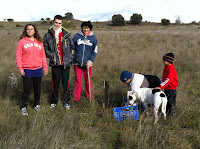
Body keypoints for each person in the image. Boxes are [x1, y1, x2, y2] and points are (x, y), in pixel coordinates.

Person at [16, 24, 48, 116]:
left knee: (37, 89)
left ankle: (36, 104)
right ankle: (24, 107)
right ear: (25, 31)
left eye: (31, 29)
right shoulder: (22, 42)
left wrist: (45, 68)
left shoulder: (39, 42)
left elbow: (42, 56)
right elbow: (18, 56)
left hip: (38, 69)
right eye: (28, 29)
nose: (29, 31)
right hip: (27, 69)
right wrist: (20, 68)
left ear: (34, 31)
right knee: (27, 89)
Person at [43, 15, 74, 109]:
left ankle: (66, 102)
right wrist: (51, 55)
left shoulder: (67, 34)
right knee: (55, 84)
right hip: (55, 63)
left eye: (59, 23)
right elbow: (44, 48)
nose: (57, 24)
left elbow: (72, 48)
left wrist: (70, 57)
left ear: (62, 23)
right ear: (53, 21)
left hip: (65, 64)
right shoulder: (48, 35)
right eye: (56, 22)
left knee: (66, 84)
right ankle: (54, 101)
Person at [73, 21, 98, 102]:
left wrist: (90, 61)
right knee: (78, 81)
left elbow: (95, 51)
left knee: (88, 81)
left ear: (90, 29)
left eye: (87, 28)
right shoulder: (77, 36)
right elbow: (72, 48)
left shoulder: (93, 38)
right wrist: (74, 58)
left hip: (88, 64)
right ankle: (76, 98)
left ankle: (90, 97)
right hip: (77, 63)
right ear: (82, 28)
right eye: (84, 28)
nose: (85, 29)